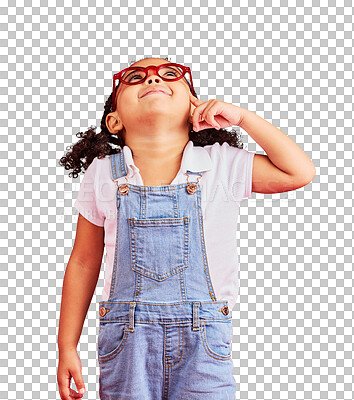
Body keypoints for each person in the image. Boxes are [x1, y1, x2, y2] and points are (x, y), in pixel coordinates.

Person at [57, 57, 316, 400]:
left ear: (195, 108)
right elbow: (84, 262)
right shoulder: (102, 173)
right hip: (126, 344)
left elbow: (298, 172)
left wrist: (243, 118)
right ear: (114, 119)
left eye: (170, 74)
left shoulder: (221, 164)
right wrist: (66, 345)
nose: (153, 79)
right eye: (135, 77)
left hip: (203, 342)